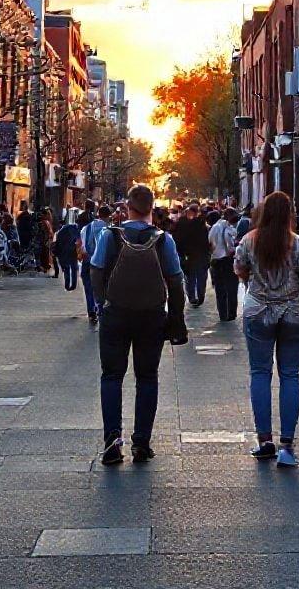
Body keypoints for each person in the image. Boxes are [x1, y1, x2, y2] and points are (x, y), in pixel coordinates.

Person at [90, 184, 187, 465]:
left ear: (128, 207)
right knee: (147, 377)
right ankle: (141, 442)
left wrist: (102, 303)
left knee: (111, 376)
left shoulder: (111, 236)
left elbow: (95, 271)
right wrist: (175, 319)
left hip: (115, 314)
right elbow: (175, 280)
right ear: (152, 208)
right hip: (151, 316)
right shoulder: (163, 240)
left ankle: (112, 440)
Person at [235, 191, 299, 468]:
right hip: (294, 312)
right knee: (290, 375)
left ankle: (264, 441)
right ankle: (287, 445)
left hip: (258, 311)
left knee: (260, 373)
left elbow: (239, 269)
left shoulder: (250, 241)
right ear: (289, 215)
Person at [80, 205, 112, 326]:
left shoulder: (85, 228)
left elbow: (82, 246)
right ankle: (101, 310)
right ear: (108, 216)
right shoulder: (108, 230)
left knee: (88, 287)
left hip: (87, 261)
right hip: (100, 264)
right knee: (101, 287)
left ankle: (91, 311)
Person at [173, 202, 210, 307]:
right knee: (199, 277)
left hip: (189, 255)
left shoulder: (181, 223)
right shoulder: (201, 224)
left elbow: (177, 239)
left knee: (191, 277)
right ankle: (199, 297)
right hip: (198, 254)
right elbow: (206, 241)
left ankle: (193, 297)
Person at [209, 207, 240, 321]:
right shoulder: (226, 228)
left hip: (217, 260)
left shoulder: (214, 228)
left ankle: (223, 313)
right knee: (231, 287)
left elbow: (210, 244)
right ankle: (231, 313)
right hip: (227, 260)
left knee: (220, 288)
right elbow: (230, 247)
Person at [54, 216, 81, 291]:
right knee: (73, 267)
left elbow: (58, 239)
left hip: (64, 250)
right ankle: (73, 285)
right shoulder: (76, 229)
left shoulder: (65, 228)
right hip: (71, 250)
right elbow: (78, 240)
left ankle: (67, 285)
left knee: (67, 268)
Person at [38, 208, 55, 275]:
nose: (41, 216)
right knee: (46, 253)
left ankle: (45, 267)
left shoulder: (44, 222)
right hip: (47, 240)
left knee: (45, 254)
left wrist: (45, 240)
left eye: (42, 215)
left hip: (46, 240)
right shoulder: (47, 222)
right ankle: (46, 266)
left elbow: (46, 232)